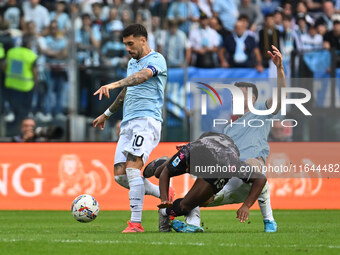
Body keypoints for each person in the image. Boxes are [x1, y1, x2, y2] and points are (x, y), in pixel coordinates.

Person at [92, 24, 170, 233]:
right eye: (125, 44)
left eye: (130, 43)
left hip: (147, 121)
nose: (127, 48)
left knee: (133, 169)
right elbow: (127, 92)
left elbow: (143, 77)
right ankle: (165, 193)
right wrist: (106, 114)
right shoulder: (131, 64)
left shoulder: (156, 60)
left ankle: (135, 224)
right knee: (120, 176)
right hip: (128, 123)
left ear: (142, 40)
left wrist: (112, 84)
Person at [152, 132, 267, 233]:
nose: (187, 171)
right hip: (207, 142)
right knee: (159, 173)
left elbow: (260, 179)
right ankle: (167, 161)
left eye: (191, 169)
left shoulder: (229, 164)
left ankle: (164, 212)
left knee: (187, 205)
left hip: (222, 154)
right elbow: (165, 174)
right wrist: (164, 199)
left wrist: (246, 205)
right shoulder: (186, 152)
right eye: (188, 166)